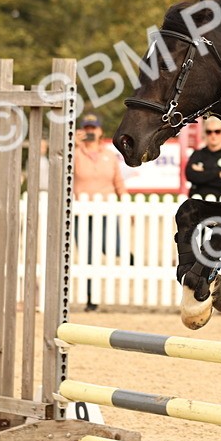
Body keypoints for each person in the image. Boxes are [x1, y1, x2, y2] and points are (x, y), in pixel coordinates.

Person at [73, 112, 127, 312]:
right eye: (86, 129)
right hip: (82, 213)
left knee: (111, 245)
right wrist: (73, 145)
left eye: (93, 128)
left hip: (106, 210)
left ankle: (127, 255)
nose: (90, 132)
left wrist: (125, 203)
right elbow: (63, 171)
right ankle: (90, 298)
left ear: (100, 131)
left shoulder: (109, 155)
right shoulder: (75, 154)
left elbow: (118, 181)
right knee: (87, 255)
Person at [184, 116, 221, 199]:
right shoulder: (197, 154)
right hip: (198, 203)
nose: (213, 135)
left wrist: (203, 172)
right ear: (204, 133)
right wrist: (217, 173)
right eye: (209, 132)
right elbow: (190, 176)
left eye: (217, 131)